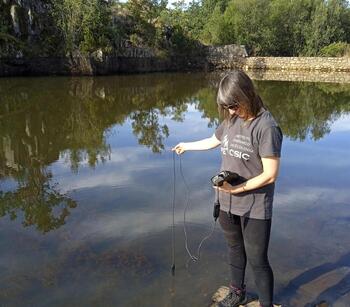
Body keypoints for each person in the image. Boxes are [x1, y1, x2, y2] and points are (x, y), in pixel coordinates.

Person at [172, 70, 283, 307]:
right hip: (226, 202)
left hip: (254, 206)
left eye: (233, 105)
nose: (231, 111)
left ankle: (266, 304)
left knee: (257, 259)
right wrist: (186, 145)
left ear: (246, 95)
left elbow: (271, 174)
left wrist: (240, 188)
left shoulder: (267, 127)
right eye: (227, 107)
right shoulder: (231, 120)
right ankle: (237, 292)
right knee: (234, 249)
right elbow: (214, 140)